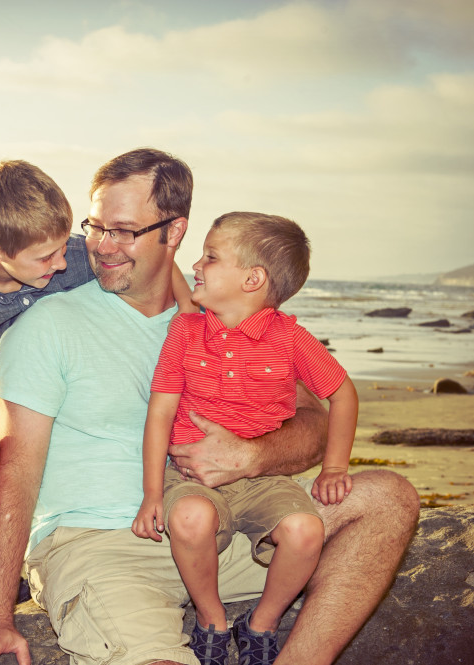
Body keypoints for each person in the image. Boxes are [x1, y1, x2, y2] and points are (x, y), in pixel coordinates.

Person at [0, 148, 420, 665]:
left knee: (387, 499)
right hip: (103, 545)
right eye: (95, 226)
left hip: (229, 527)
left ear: (174, 231)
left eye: (123, 230)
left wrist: (252, 456)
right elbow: (16, 469)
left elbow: (314, 423)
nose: (100, 246)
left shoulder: (226, 318)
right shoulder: (48, 327)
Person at [0, 160, 196, 510]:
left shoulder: (66, 252)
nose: (61, 263)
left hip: (33, 360)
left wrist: (189, 313)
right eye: (46, 259)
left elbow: (161, 263)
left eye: (63, 250)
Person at [133, 212, 359, 665]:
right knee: (191, 519)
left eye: (212, 257)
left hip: (262, 479)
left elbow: (343, 393)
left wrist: (334, 466)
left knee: (305, 530)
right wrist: (152, 493)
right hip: (191, 475)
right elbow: (159, 411)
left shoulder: (291, 338)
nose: (198, 263)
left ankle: (263, 623)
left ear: (253, 279)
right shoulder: (186, 330)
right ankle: (212, 618)